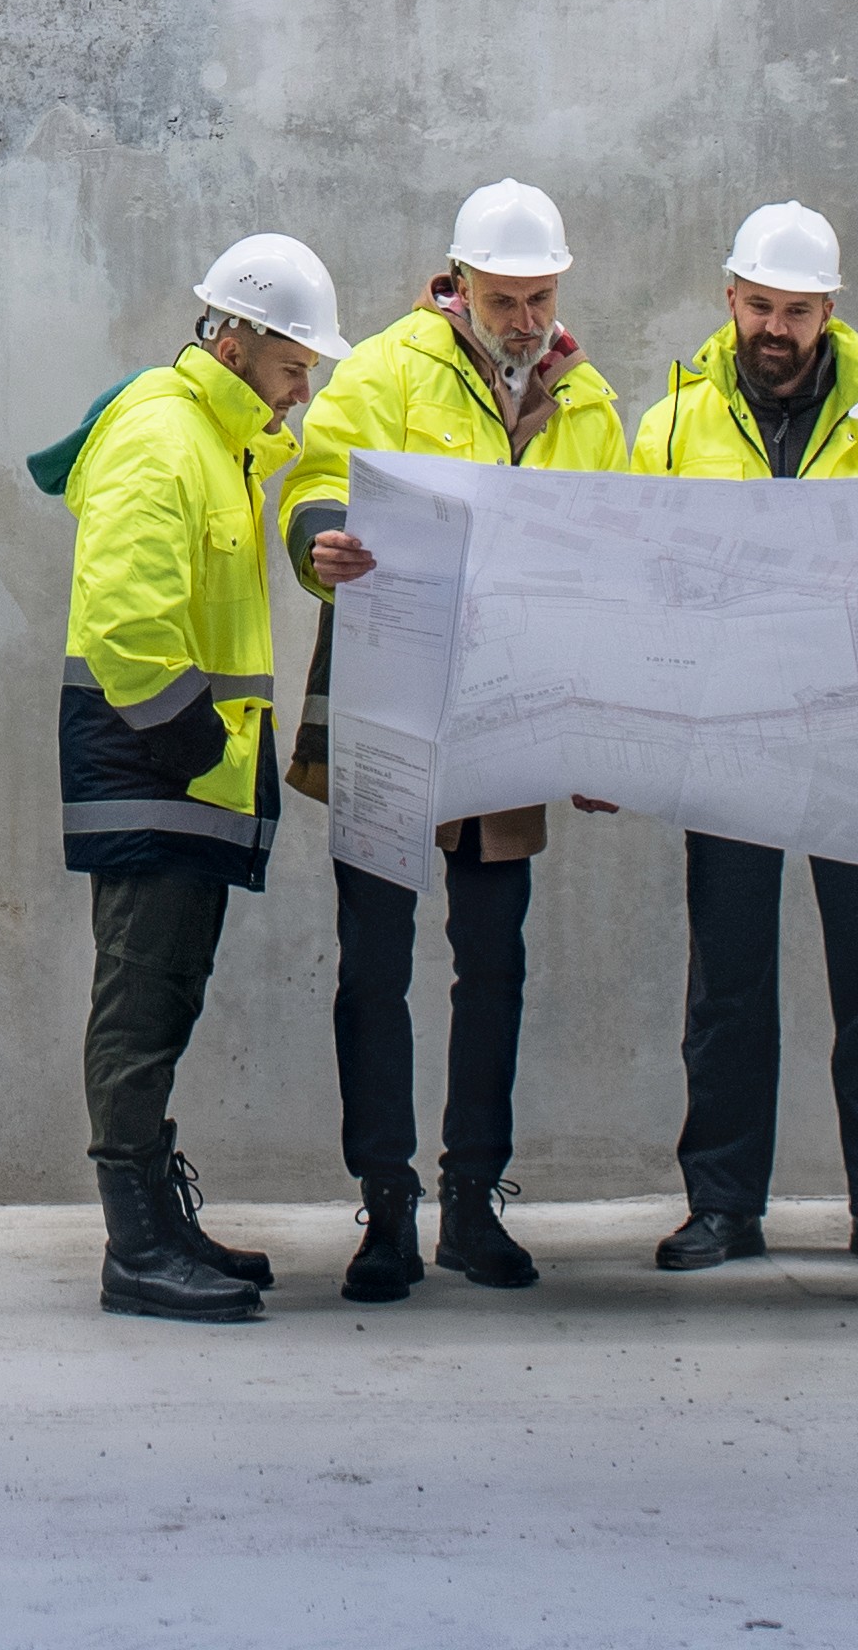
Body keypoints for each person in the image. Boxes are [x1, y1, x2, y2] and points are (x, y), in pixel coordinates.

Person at [277, 180, 631, 1302]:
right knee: (374, 965)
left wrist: (598, 728)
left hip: (509, 704)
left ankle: (472, 1203)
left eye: (539, 296)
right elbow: (319, 479)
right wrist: (321, 537)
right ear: (456, 281)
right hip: (387, 693)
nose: (523, 317)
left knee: (495, 965)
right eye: (503, 295)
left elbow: (611, 564)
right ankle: (386, 1209)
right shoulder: (382, 370)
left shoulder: (590, 402)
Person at [48, 231, 352, 1323]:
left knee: (166, 997)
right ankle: (134, 1247)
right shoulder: (161, 436)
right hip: (157, 771)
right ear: (236, 338)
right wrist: (197, 753)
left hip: (188, 775)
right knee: (137, 1005)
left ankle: (158, 1221)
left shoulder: (219, 442)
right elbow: (126, 624)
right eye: (291, 364)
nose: (301, 385)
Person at [635, 199, 858, 1278]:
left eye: (796, 310)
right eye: (759, 303)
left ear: (829, 310)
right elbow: (642, 584)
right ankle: (722, 1205)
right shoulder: (668, 423)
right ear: (730, 299)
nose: (775, 326)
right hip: (728, 731)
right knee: (728, 980)